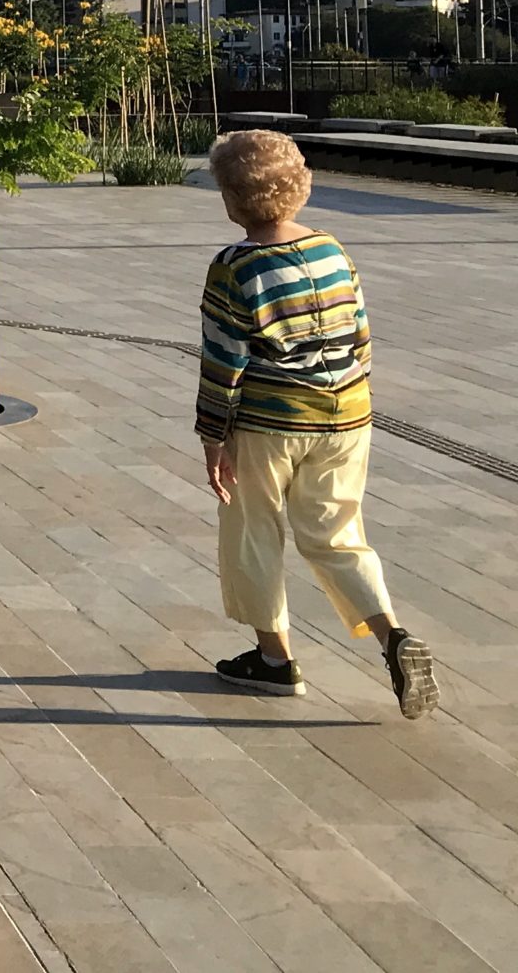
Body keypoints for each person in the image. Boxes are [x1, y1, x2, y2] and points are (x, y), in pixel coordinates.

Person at [197, 131, 434, 714]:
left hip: (268, 422)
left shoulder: (235, 267)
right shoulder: (332, 248)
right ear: (300, 188)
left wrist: (212, 436)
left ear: (232, 199)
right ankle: (391, 636)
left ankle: (274, 661)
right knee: (337, 536)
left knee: (251, 529)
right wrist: (351, 395)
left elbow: (223, 361)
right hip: (348, 415)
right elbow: (360, 335)